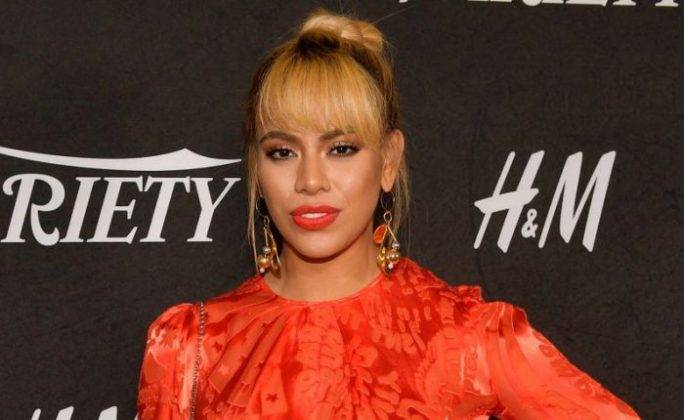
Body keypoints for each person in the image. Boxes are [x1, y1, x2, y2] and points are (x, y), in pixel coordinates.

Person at [136, 7, 640, 420]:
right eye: (282, 152)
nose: (310, 180)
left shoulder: (464, 339)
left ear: (389, 161)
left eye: (341, 149)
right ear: (256, 169)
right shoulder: (191, 349)